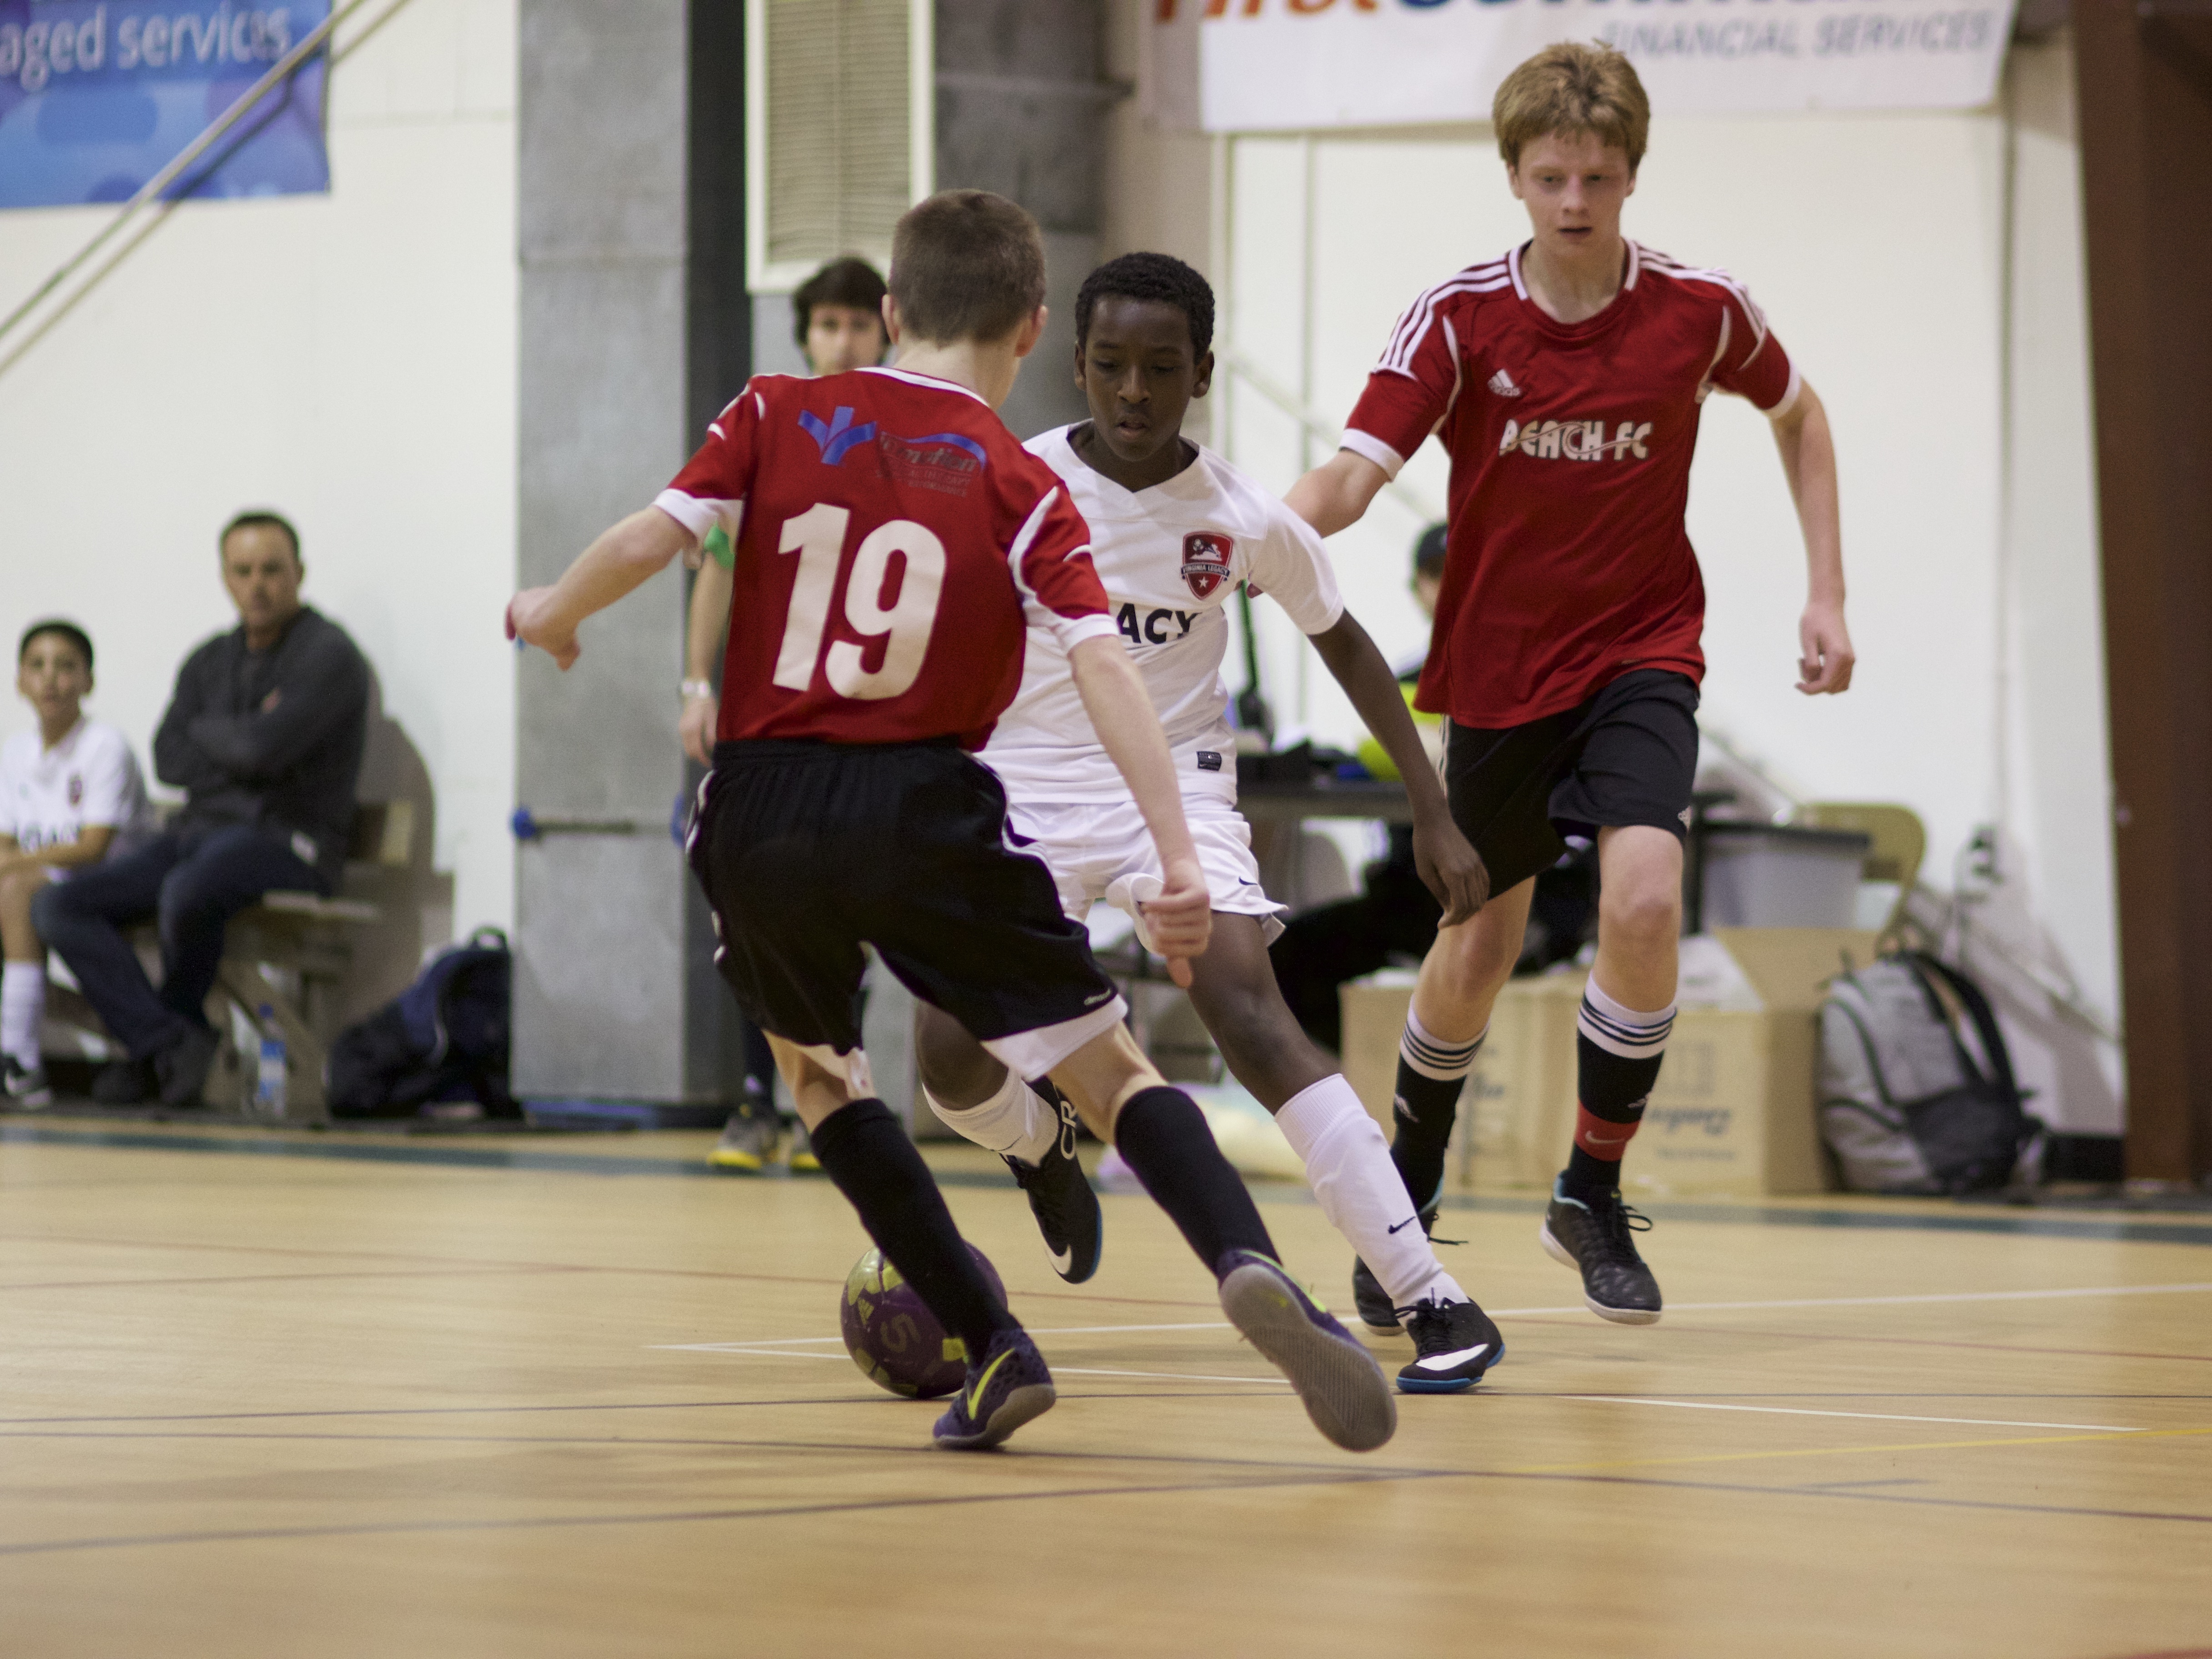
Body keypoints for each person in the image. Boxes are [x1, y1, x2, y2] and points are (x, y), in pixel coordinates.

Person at [507, 190, 1394, 1454]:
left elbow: (656, 539)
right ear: (1033, 328)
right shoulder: (1025, 481)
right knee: (1107, 1068)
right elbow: (1103, 668)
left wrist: (554, 610)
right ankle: (1249, 1263)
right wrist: (1178, 854)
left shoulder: (773, 410)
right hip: (926, 804)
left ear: (887, 312)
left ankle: (995, 1343)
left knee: (821, 1077)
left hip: (763, 805)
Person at [1286, 44, 1853, 1327]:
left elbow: (1800, 415)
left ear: (1632, 174)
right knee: (1477, 943)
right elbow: (1352, 479)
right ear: (1513, 177)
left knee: (1644, 897)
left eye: (1597, 177)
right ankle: (1405, 1191)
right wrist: (1247, 537)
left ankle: (1588, 1190)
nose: (1575, 201)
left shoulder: (1700, 309)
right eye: (1550, 178)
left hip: (1642, 649)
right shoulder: (1459, 319)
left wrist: (1825, 592)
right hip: (1500, 671)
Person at [912, 252, 1508, 1394]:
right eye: (1109, 365)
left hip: (1171, 791)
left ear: (1200, 375)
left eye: (1159, 368)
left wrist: (1429, 807)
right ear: (1073, 364)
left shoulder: (1239, 515)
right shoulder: (1010, 483)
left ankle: (1429, 1293)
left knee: (1244, 1003)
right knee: (944, 1051)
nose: (1132, 391)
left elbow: (1345, 643)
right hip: (1023, 789)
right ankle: (1041, 1147)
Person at [35, 512, 371, 1108]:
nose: (257, 585)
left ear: (299, 573)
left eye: (271, 570)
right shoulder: (209, 660)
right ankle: (168, 1044)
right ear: (225, 578)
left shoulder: (329, 655)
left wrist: (220, 737)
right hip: (198, 834)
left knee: (189, 890)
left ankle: (167, 1046)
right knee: (59, 904)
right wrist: (244, 740)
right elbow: (169, 756)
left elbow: (262, 750)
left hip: (291, 841)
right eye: (243, 571)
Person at [685, 256, 890, 1174]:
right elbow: (717, 559)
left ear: (886, 331)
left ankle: (837, 1093)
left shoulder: (908, 433)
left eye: (858, 323)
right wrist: (696, 683)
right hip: (767, 714)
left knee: (852, 908)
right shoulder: (766, 427)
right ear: (804, 334)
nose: (842, 341)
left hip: (868, 713)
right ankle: (756, 1097)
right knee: (750, 901)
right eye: (827, 324)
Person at [0, 621, 155, 1106]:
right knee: (15, 888)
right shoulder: (14, 753)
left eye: (66, 666)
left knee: (18, 890)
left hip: (111, 886)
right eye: (38, 666)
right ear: (19, 681)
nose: (51, 678)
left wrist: (15, 864)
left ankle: (19, 1060)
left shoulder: (105, 746)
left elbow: (93, 848)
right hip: (40, 885)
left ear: (89, 681)